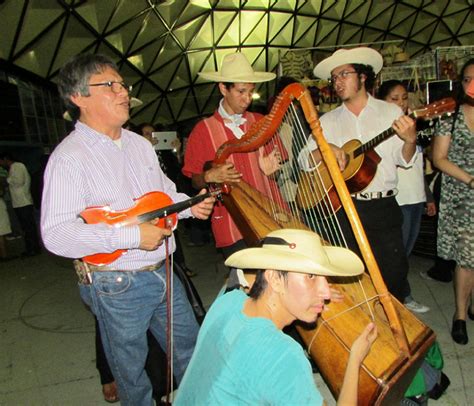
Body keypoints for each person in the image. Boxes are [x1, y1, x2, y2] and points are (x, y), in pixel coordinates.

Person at [40, 54, 215, 405]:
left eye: (123, 85)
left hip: (164, 272)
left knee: (192, 353)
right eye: (110, 85)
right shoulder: (69, 157)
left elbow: (163, 195)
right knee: (132, 374)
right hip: (116, 283)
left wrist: (189, 206)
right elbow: (56, 233)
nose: (123, 92)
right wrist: (132, 236)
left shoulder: (138, 144)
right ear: (79, 97)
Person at [174, 228, 377, 405]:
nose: (325, 293)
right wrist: (355, 360)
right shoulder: (283, 355)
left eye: (324, 278)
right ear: (273, 278)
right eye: (311, 276)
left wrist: (310, 287)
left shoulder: (228, 300)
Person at [298, 47, 417, 304]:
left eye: (344, 74)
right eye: (334, 77)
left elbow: (404, 160)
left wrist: (410, 140)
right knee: (352, 276)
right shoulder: (327, 121)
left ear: (363, 76)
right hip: (345, 208)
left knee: (393, 276)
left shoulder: (391, 113)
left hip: (383, 207)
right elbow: (303, 159)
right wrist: (323, 149)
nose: (338, 82)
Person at [182, 52, 281, 269]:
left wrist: (272, 171)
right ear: (223, 88)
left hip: (270, 218)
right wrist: (208, 176)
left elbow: (279, 165)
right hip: (230, 224)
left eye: (251, 92)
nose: (247, 99)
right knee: (248, 287)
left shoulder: (261, 122)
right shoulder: (203, 130)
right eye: (241, 91)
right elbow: (194, 181)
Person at [377, 79, 436, 313]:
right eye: (394, 99)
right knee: (397, 254)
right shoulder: (384, 127)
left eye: (404, 98)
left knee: (406, 252)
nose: (401, 103)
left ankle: (400, 294)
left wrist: (428, 196)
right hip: (398, 198)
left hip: (415, 197)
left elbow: (418, 164)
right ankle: (402, 297)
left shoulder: (411, 125)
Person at [432, 58, 474, 345]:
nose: (472, 84)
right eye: (468, 79)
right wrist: (471, 180)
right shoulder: (451, 114)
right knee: (466, 259)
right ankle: (460, 315)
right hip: (461, 196)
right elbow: (438, 158)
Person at [0, 153, 41, 257]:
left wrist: (6, 180)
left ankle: (33, 248)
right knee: (27, 227)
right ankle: (32, 247)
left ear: (5, 159)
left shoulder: (17, 166)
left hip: (23, 202)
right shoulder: (15, 167)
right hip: (20, 202)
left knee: (28, 227)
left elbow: (19, 181)